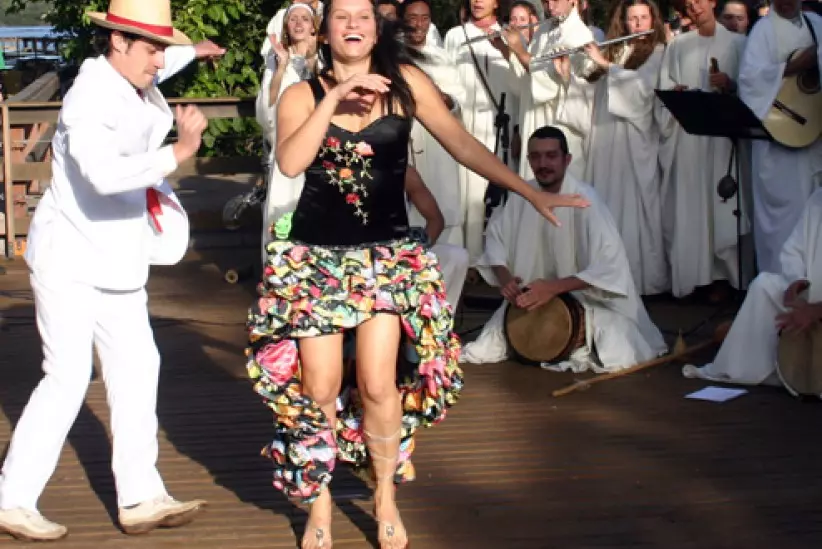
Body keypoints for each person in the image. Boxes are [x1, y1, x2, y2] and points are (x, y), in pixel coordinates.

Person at [246, 1, 589, 547]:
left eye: (363, 15)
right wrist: (333, 96)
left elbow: (462, 143)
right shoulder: (301, 95)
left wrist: (529, 191)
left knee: (378, 383)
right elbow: (290, 163)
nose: (353, 25)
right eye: (342, 16)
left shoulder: (405, 83)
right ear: (326, 31)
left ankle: (384, 494)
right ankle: (321, 502)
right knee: (319, 386)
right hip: (316, 259)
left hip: (384, 257)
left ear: (376, 27)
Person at [0, 0, 225, 542]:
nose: (159, 60)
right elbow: (102, 175)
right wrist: (179, 152)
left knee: (139, 365)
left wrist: (193, 51)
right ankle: (10, 498)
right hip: (70, 258)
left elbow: (162, 63)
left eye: (163, 49)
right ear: (118, 42)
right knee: (67, 376)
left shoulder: (134, 73)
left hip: (118, 259)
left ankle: (140, 496)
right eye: (153, 49)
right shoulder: (88, 97)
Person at [460, 126, 667, 370]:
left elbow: (610, 266)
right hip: (531, 299)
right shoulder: (521, 196)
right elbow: (496, 241)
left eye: (551, 156)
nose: (543, 164)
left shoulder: (585, 200)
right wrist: (506, 280)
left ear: (567, 160)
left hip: (590, 303)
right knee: (487, 347)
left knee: (617, 349)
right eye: (535, 157)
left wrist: (553, 288)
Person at [555, 0, 669, 295]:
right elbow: (592, 95)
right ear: (624, 22)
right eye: (633, 19)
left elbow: (644, 93)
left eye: (644, 18)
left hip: (633, 141)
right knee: (606, 203)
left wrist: (606, 66)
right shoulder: (616, 50)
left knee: (633, 208)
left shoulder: (658, 52)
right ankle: (603, 276)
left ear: (653, 21)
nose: (638, 24)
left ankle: (641, 280)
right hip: (605, 139)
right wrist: (569, 76)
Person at [654, 0, 748, 299]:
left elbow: (752, 88)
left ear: (712, 2)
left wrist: (730, 84)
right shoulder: (678, 45)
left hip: (721, 139)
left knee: (722, 204)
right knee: (691, 205)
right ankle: (696, 277)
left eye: (699, 0)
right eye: (689, 3)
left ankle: (726, 278)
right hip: (689, 138)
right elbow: (664, 86)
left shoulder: (737, 44)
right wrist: (675, 93)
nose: (694, 6)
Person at [684, 188, 822, 386]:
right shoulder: (817, 200)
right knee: (763, 285)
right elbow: (794, 250)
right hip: (810, 296)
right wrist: (796, 280)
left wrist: (816, 310)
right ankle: (742, 368)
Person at [737, 0, 822, 274]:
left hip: (813, 133)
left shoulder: (816, 25)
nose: (785, 3)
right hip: (779, 140)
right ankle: (778, 282)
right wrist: (793, 67)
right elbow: (749, 80)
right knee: (784, 220)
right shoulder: (763, 30)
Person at [498, 0, 595, 180]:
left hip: (559, 122)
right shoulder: (543, 30)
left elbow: (551, 81)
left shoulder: (579, 33)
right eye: (546, 2)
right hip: (533, 118)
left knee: (559, 181)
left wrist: (519, 50)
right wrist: (507, 50)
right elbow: (526, 80)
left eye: (555, 0)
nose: (550, 7)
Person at [401, 0, 468, 249]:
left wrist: (439, 95)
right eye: (412, 18)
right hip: (404, 138)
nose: (418, 24)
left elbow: (459, 100)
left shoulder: (442, 58)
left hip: (437, 141)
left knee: (443, 203)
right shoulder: (392, 55)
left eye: (424, 18)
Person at [257, 2, 320, 262]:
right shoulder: (276, 60)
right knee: (282, 209)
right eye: (293, 19)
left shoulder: (324, 58)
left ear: (313, 26)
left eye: (304, 18)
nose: (298, 23)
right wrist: (282, 66)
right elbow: (267, 106)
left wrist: (311, 61)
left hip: (317, 150)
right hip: (285, 146)